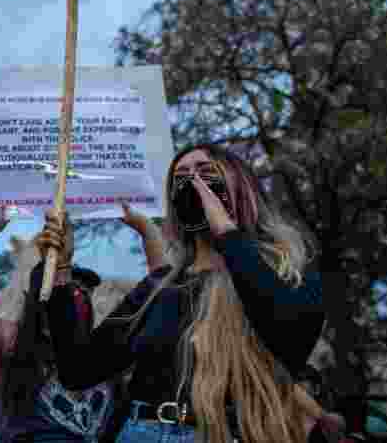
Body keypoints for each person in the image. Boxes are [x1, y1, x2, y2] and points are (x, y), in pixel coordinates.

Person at [38, 144, 325, 443]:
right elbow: (78, 370)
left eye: (206, 173)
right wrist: (61, 269)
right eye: (181, 178)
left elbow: (292, 335)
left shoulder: (289, 271)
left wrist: (226, 232)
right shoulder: (160, 287)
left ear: (241, 187)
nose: (192, 184)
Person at [0, 202, 165, 443]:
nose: (75, 295)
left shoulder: (105, 349)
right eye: (62, 287)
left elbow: (163, 296)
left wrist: (147, 230)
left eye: (82, 289)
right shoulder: (10, 343)